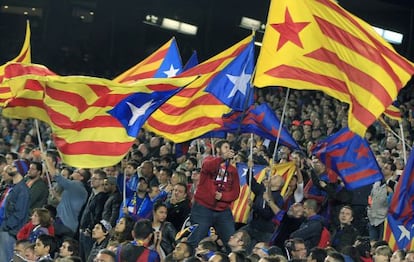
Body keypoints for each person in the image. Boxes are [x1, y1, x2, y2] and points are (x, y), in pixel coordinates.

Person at [187, 139, 240, 251]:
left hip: (223, 211)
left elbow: (235, 193)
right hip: (203, 209)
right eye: (225, 147)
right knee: (194, 241)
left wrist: (223, 197)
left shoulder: (233, 170)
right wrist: (222, 158)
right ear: (217, 149)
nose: (228, 150)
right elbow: (208, 167)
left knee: (232, 244)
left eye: (229, 148)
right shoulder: (209, 161)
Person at [0, 160, 31, 262]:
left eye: (13, 166)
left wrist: (4, 226)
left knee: (5, 259)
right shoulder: (13, 187)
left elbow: (19, 214)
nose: (9, 167)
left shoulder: (22, 190)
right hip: (5, 229)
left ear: (20, 170)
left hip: (9, 231)